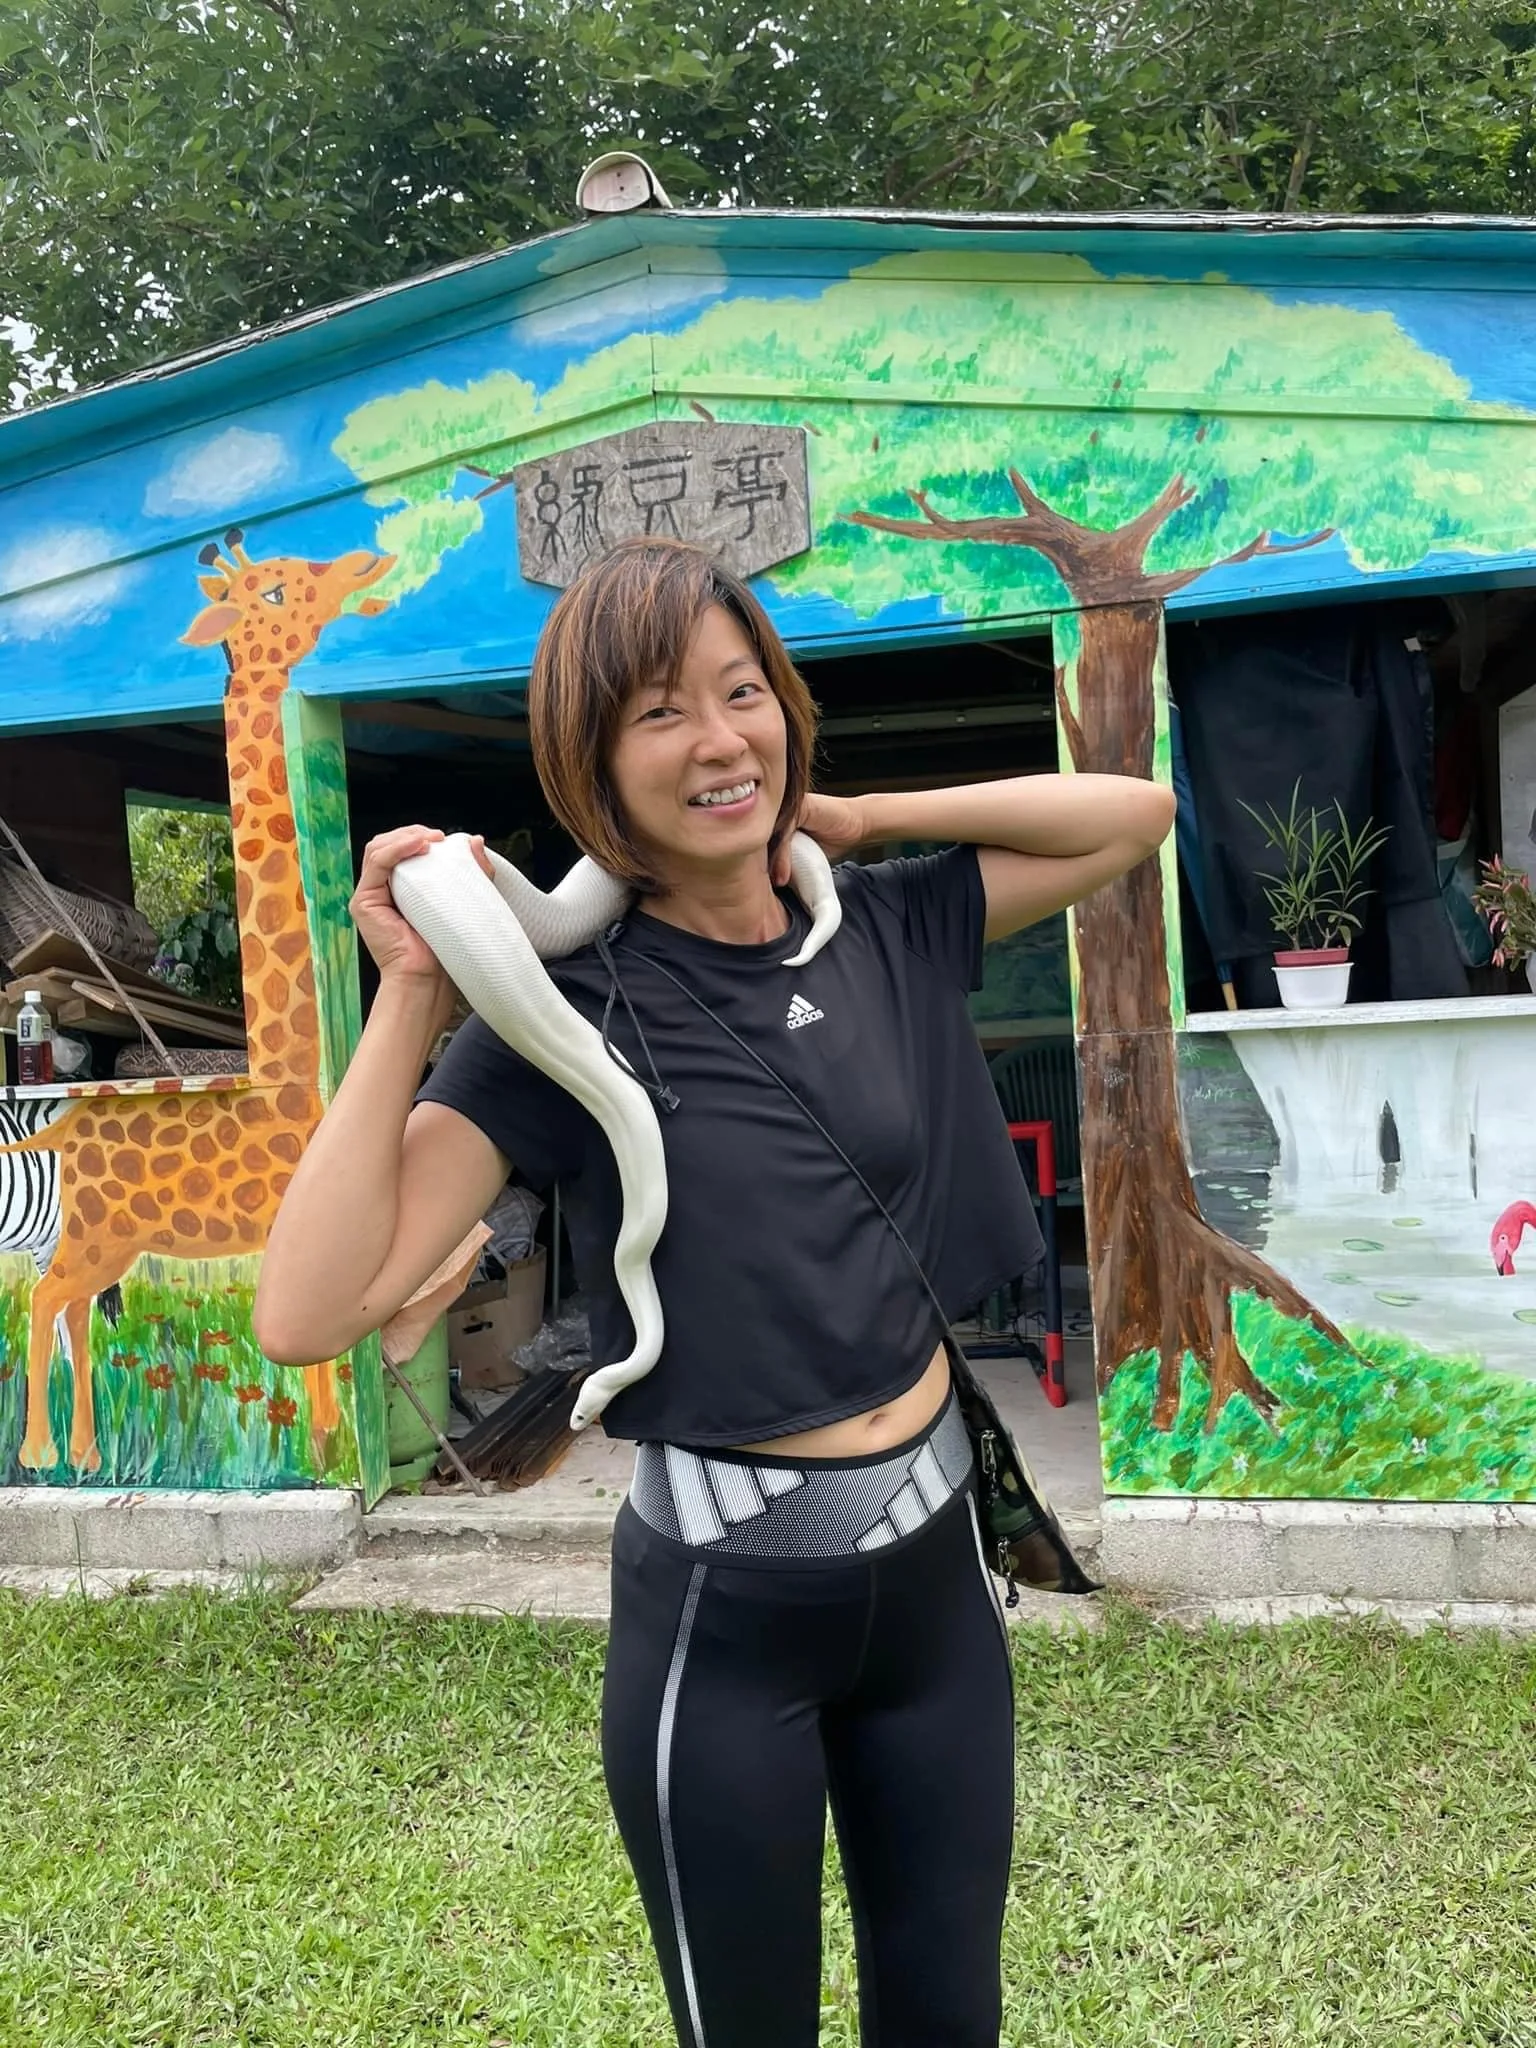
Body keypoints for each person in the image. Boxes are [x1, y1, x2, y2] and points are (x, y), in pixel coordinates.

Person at [255, 538, 1175, 2048]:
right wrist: (418, 985)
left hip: (935, 1584)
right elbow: (307, 1311)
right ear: (593, 769)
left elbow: (1132, 817)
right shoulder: (557, 1016)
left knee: (949, 2015)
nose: (718, 739)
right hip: (727, 1618)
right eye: (659, 713)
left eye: (742, 693)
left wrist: (858, 816)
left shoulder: (880, 920)